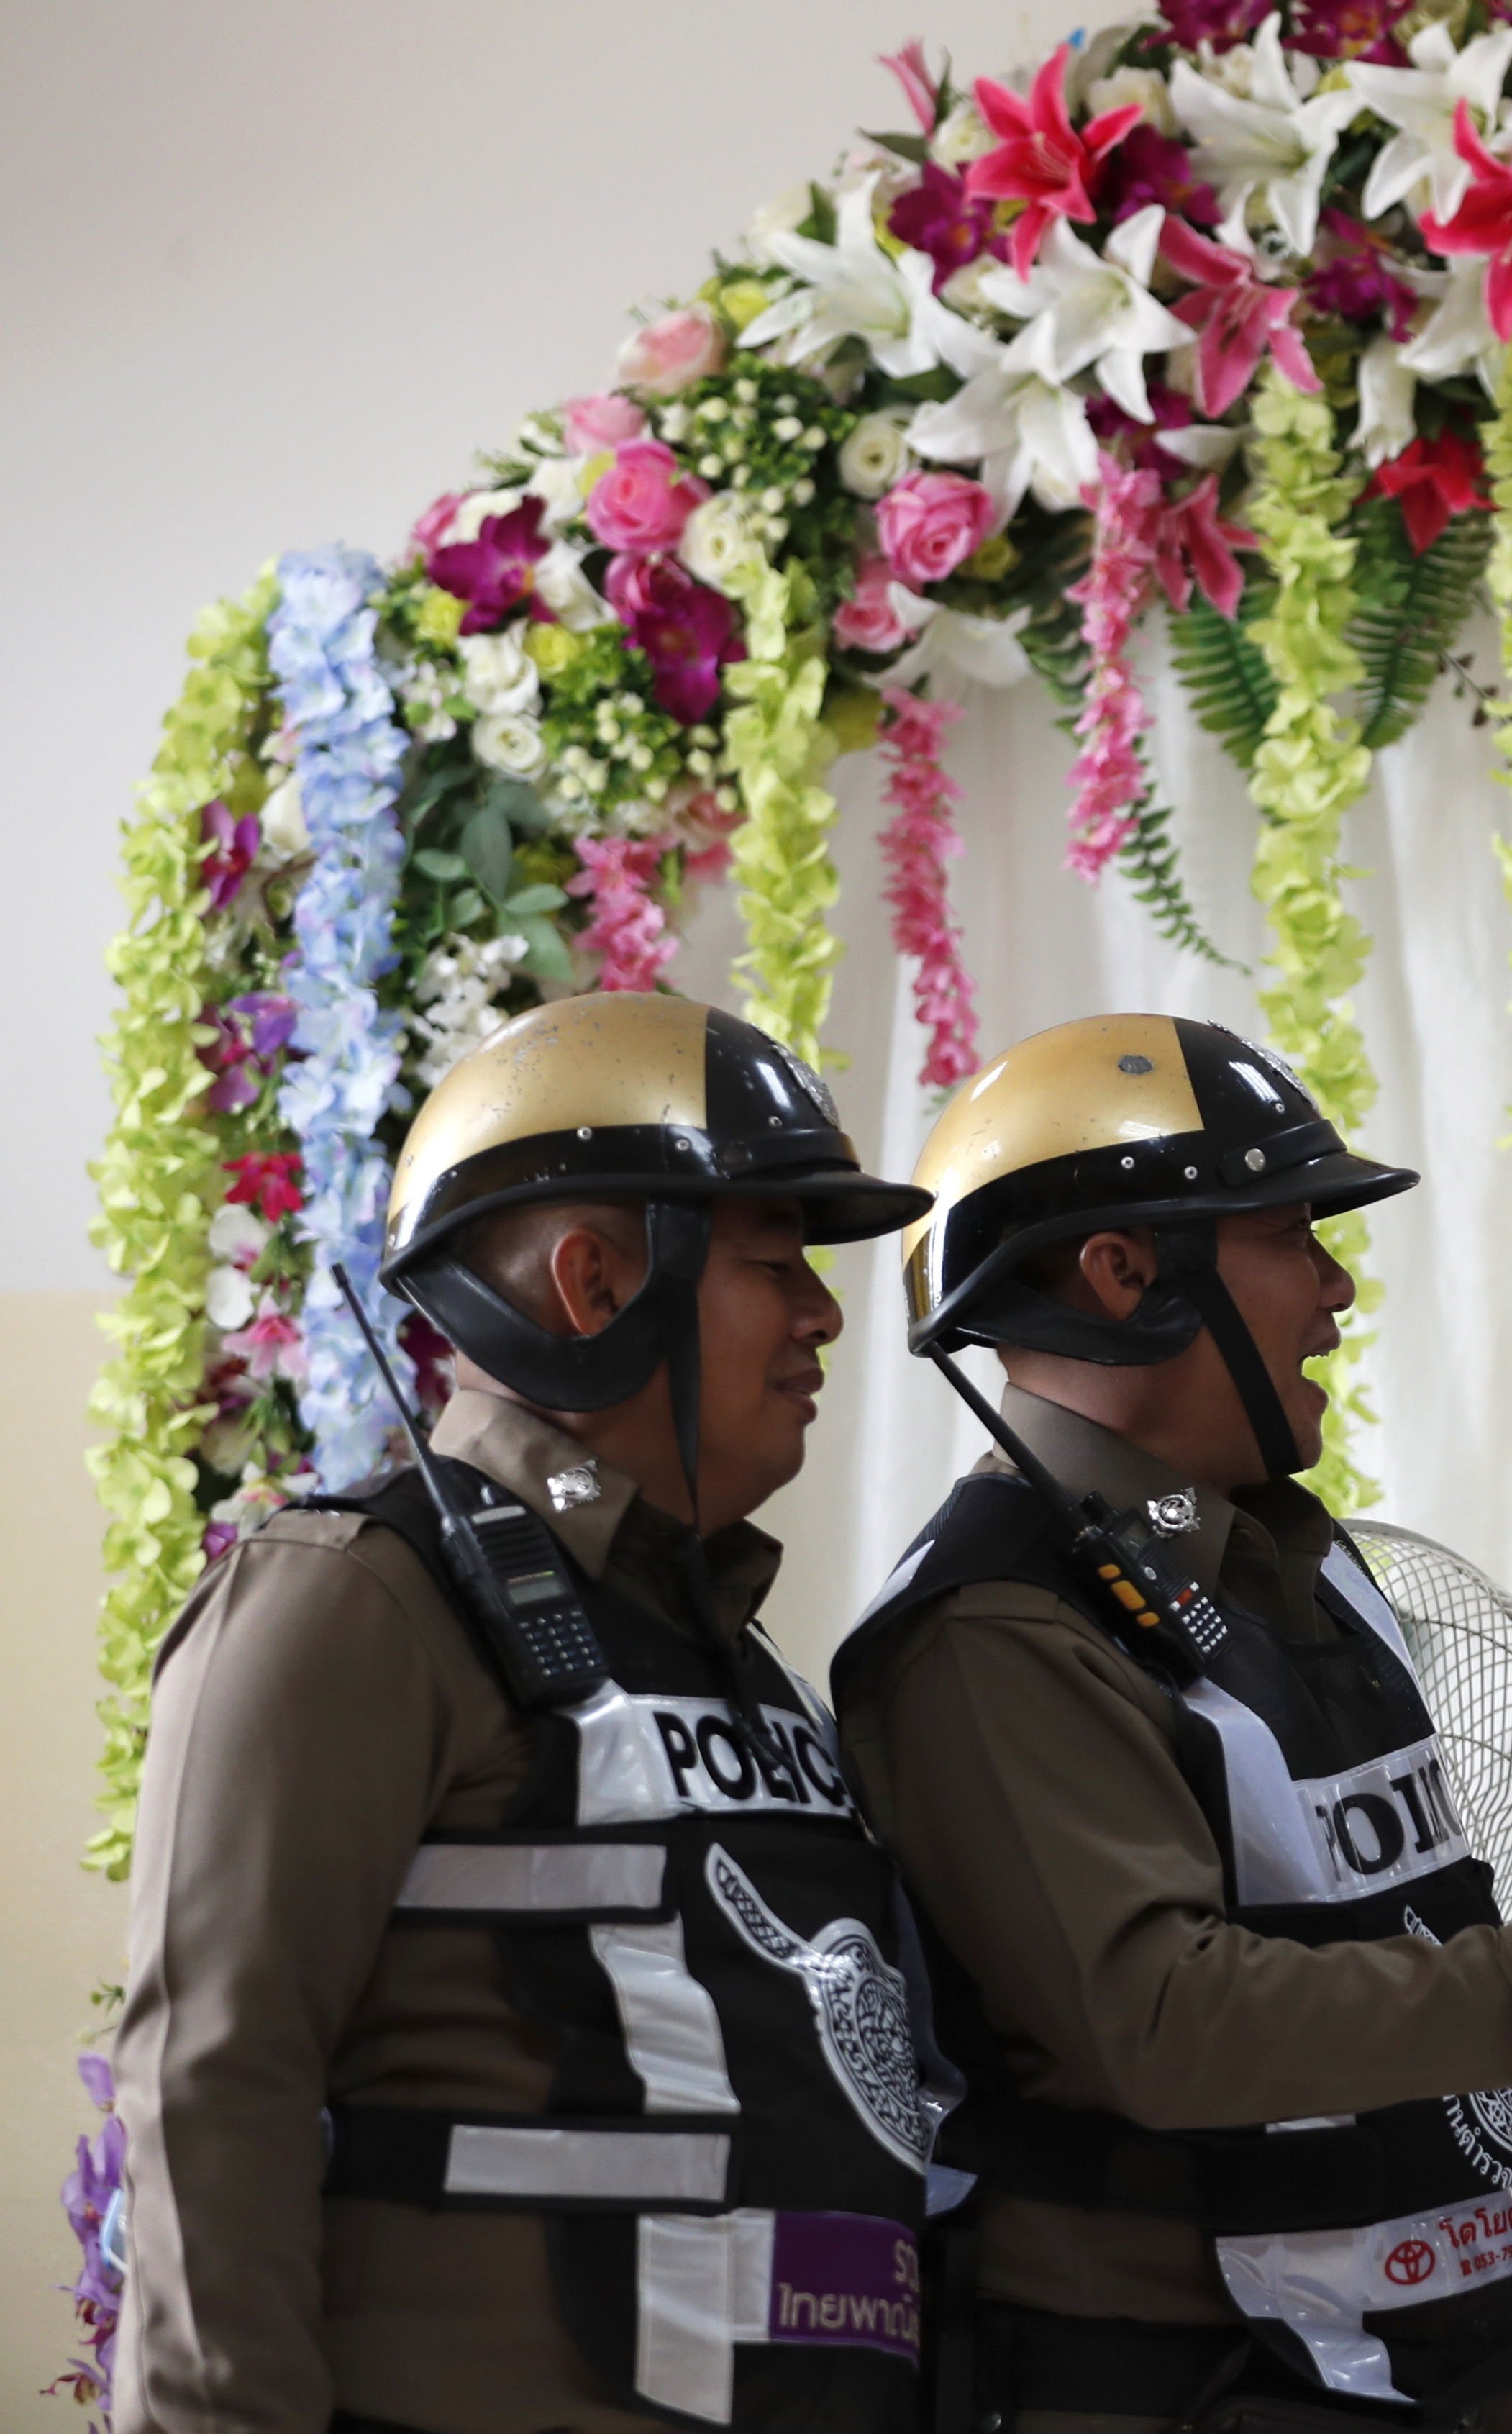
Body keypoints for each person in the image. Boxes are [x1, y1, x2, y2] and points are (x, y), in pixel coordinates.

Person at [834, 1014, 1512, 2433]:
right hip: (1179, 2383)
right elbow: (1168, 2022)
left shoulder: (1305, 1561)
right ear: (1124, 1274)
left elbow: (1395, 1931)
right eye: (1289, 1236)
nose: (1334, 1287)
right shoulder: (989, 1630)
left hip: (1433, 2358)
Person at [111, 991, 939, 2434]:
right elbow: (212, 2091)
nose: (823, 1312)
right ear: (592, 1282)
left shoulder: (730, 1649)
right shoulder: (352, 1605)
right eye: (772, 1256)